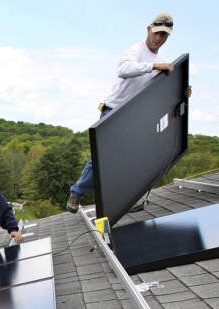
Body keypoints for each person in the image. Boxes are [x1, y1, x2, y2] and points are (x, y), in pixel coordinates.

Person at [67, 12, 189, 213]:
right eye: (157, 33)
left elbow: (162, 92)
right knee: (101, 158)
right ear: (149, 30)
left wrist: (182, 92)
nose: (159, 38)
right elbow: (124, 69)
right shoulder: (136, 51)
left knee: (133, 158)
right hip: (114, 111)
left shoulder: (161, 60)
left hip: (134, 117)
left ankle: (123, 202)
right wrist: (154, 66)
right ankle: (77, 193)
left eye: (164, 35)